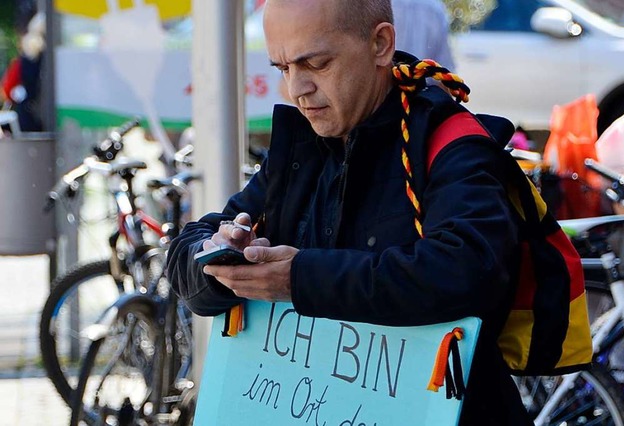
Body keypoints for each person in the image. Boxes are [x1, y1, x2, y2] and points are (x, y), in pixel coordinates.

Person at [167, 0, 531, 424]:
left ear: (380, 43)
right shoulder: (302, 146)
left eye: (316, 63)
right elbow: (185, 256)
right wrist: (221, 261)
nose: (296, 88)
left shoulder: (450, 143)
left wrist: (299, 278)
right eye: (283, 69)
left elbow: (469, 271)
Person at [392, 0, 456, 71]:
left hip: (385, 78)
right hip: (424, 78)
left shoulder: (382, 4)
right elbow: (444, 67)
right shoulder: (435, 7)